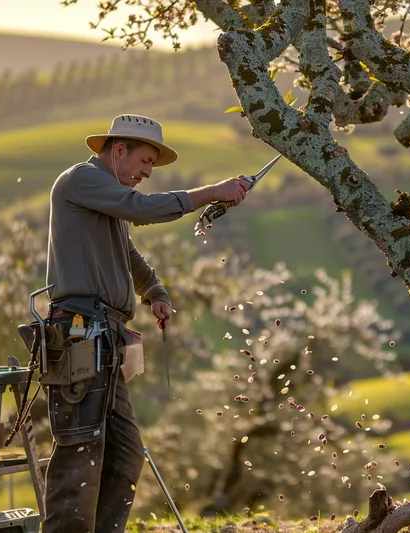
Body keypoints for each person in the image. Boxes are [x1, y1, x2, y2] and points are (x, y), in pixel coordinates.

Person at [41, 113, 252, 532]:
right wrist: (213, 191)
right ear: (119, 150)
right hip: (79, 334)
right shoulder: (80, 180)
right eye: (145, 161)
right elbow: (143, 210)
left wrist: (153, 290)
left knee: (125, 454)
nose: (147, 172)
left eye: (152, 165)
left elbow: (129, 253)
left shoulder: (107, 197)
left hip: (105, 337)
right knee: (81, 449)